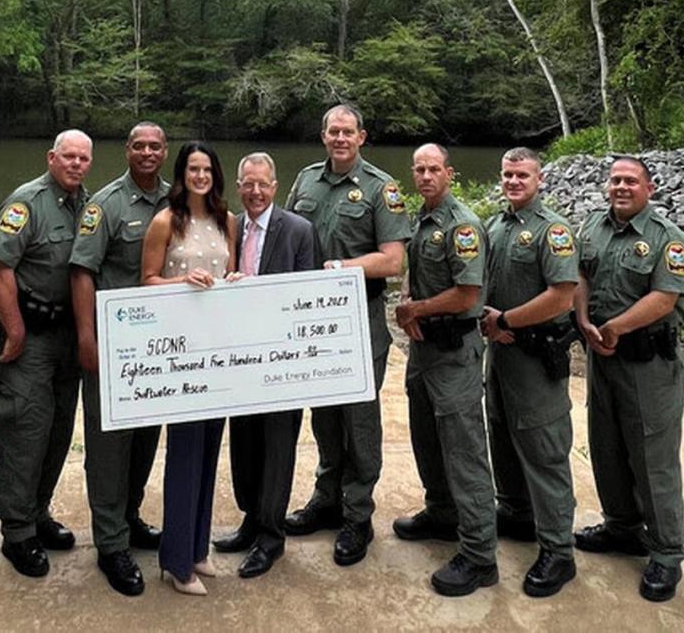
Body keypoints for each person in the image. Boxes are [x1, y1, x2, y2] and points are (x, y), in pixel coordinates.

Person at [282, 104, 409, 566]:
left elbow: (393, 260)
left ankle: (357, 515)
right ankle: (326, 499)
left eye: (347, 132)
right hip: (313, 323)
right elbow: (286, 235)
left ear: (361, 137)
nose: (340, 138)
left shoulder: (381, 189)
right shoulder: (306, 180)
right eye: (332, 131)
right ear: (323, 137)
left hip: (359, 320)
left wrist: (340, 268)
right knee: (326, 418)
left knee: (358, 420)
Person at [573, 156, 684, 602]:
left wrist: (616, 328)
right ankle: (622, 526)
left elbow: (665, 298)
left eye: (630, 181)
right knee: (606, 445)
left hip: (648, 365)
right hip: (602, 357)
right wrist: (585, 321)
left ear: (649, 187)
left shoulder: (667, 239)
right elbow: (581, 276)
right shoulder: (593, 228)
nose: (620, 187)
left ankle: (666, 552)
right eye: (615, 181)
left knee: (652, 457)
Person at [69, 122, 170, 596]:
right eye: (139, 146)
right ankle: (110, 544)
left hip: (161, 350)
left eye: (155, 146)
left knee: (146, 440)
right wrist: (87, 337)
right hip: (115, 346)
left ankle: (129, 519)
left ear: (165, 151)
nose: (147, 152)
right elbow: (83, 273)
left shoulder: (179, 202)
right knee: (110, 446)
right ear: (126, 150)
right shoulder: (105, 205)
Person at [0, 130, 92, 578]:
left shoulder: (87, 205)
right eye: (68, 156)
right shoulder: (26, 203)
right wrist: (13, 331)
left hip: (69, 337)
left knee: (57, 432)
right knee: (25, 431)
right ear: (51, 157)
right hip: (32, 337)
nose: (76, 164)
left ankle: (39, 512)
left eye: (84, 158)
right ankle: (17, 530)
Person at [393, 143, 497, 597]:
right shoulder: (423, 219)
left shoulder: (462, 225)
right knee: (427, 439)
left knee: (464, 450)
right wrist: (410, 305)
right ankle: (441, 514)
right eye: (420, 169)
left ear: (449, 173)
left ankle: (479, 556)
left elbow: (468, 295)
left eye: (434, 168)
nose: (426, 175)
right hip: (424, 350)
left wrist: (414, 308)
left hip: (454, 351)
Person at [211, 152, 316, 578]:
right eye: (248, 184)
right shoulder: (229, 227)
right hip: (239, 360)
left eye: (263, 184)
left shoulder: (299, 230)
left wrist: (257, 289)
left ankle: (271, 538)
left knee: (277, 447)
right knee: (245, 445)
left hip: (281, 361)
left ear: (276, 186)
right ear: (238, 186)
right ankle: (250, 520)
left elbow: (306, 298)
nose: (255, 192)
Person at [480, 147, 578, 597]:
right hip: (500, 359)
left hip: (535, 359)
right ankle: (517, 515)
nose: (513, 182)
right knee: (502, 437)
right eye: (507, 175)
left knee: (544, 450)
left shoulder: (551, 231)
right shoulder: (495, 226)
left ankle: (559, 551)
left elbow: (562, 296)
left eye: (522, 175)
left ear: (538, 179)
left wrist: (506, 321)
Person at [140, 141, 237, 596]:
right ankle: (176, 562)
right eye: (193, 169)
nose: (201, 176)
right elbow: (148, 281)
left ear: (216, 175)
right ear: (182, 175)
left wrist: (234, 280)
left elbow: (229, 274)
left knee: (209, 450)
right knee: (183, 452)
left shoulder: (226, 221)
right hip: (179, 353)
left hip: (217, 349)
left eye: (207, 169)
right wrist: (182, 281)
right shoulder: (165, 221)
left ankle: (198, 547)